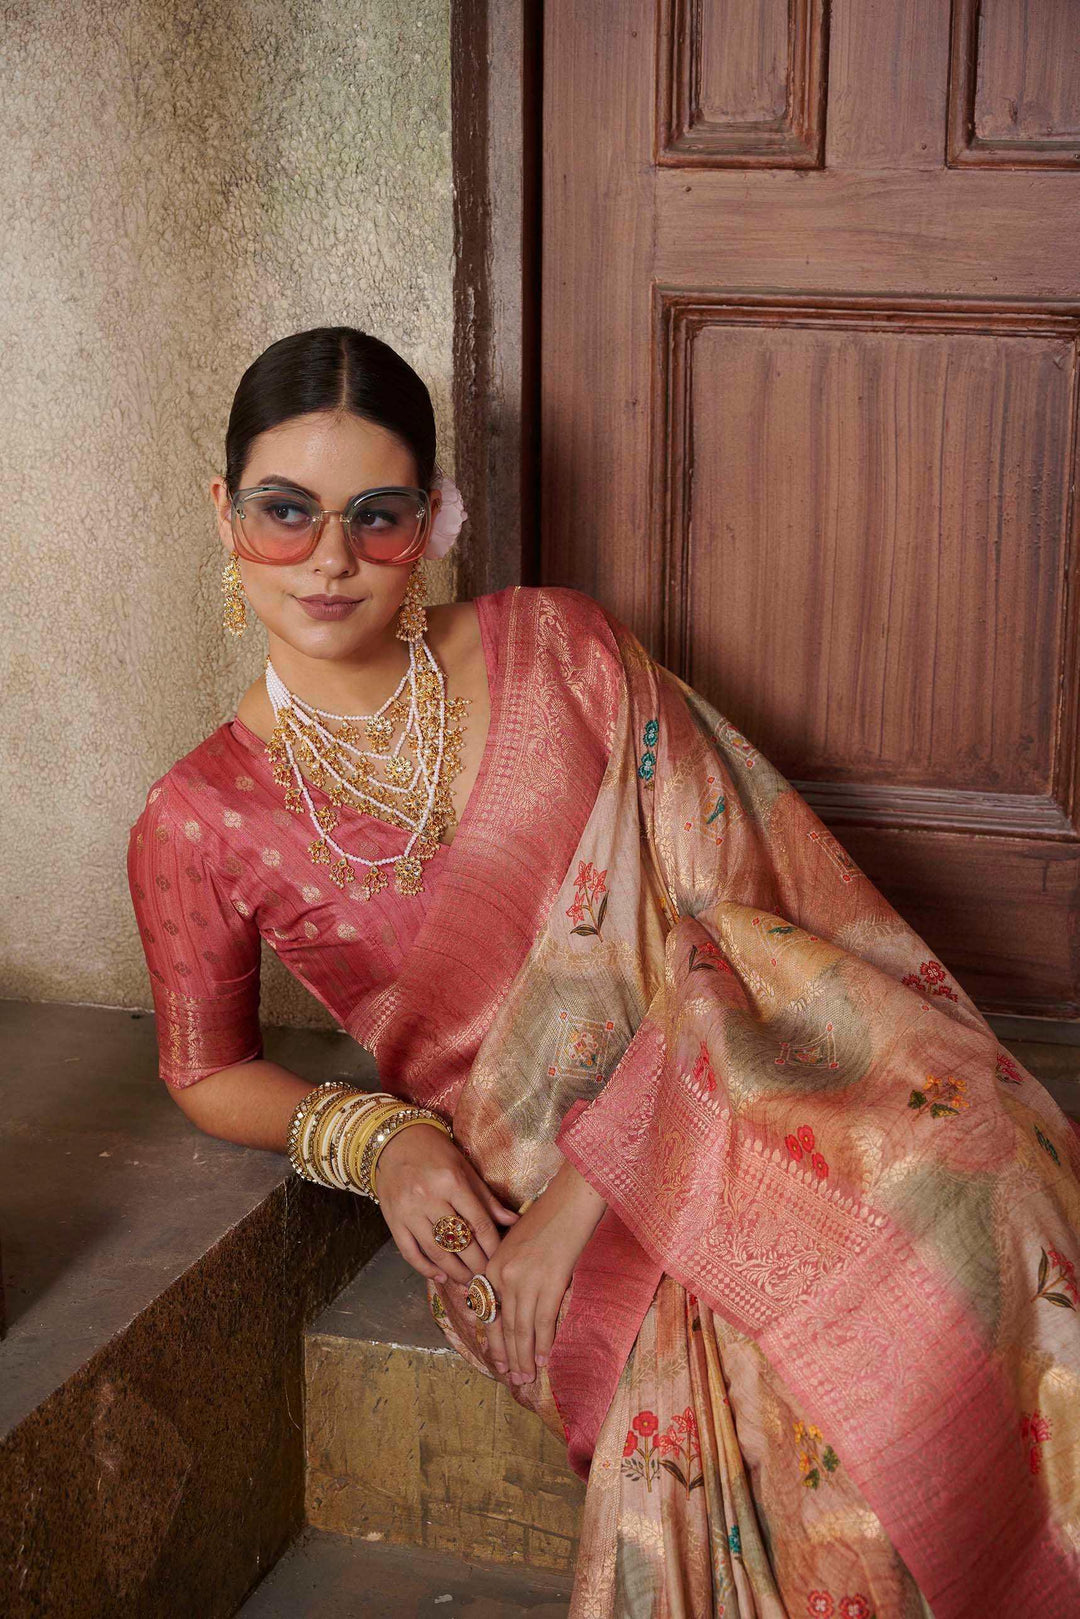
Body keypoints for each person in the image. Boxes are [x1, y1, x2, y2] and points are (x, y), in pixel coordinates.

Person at [127, 326, 1080, 1618]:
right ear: (224, 509)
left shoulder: (557, 650)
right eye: (285, 512)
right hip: (519, 1191)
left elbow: (741, 916)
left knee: (977, 1178)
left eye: (378, 515)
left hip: (740, 1079)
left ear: (433, 520)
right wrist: (379, 1141)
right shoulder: (197, 816)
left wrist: (603, 1181)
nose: (332, 559)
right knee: (772, 1384)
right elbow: (205, 1068)